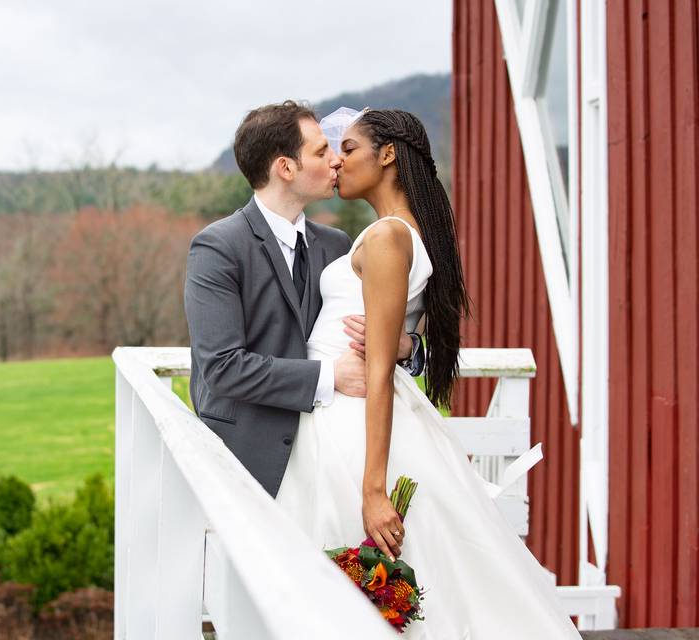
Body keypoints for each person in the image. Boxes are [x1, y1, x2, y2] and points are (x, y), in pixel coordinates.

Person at [274, 107, 581, 638]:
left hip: (350, 424)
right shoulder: (392, 234)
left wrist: (373, 489)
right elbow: (390, 345)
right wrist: (405, 342)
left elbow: (376, 371)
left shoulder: (390, 237)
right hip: (333, 407)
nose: (338, 162)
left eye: (348, 149)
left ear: (387, 154)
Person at [183, 100, 420, 498]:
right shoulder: (218, 247)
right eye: (321, 151)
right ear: (286, 168)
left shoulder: (337, 245)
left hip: (329, 458)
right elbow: (222, 367)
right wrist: (330, 376)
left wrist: (407, 346)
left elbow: (376, 327)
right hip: (245, 460)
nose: (336, 162)